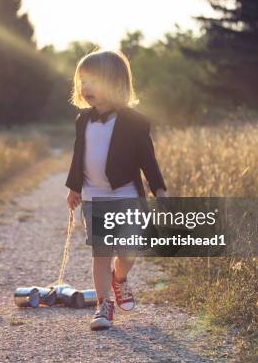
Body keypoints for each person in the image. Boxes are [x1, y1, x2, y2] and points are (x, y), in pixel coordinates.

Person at [65, 49, 168, 330]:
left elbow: (148, 158)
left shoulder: (134, 121)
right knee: (102, 252)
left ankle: (119, 279)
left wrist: (159, 190)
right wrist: (74, 187)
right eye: (83, 81)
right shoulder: (82, 120)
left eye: (94, 81)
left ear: (117, 84)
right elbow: (79, 155)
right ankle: (102, 305)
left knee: (128, 252)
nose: (86, 88)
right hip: (93, 196)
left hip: (126, 194)